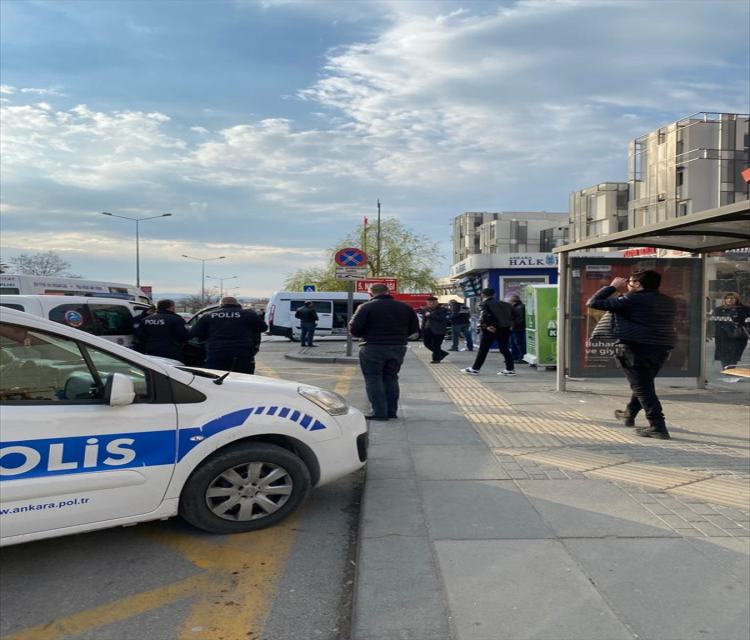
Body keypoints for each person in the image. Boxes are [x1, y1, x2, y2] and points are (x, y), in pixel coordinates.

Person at [587, 269, 676, 440]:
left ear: (637, 284)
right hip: (661, 348)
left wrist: (612, 287)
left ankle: (658, 426)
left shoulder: (631, 299)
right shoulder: (668, 301)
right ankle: (629, 414)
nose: (627, 285)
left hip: (635, 348)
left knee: (643, 388)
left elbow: (593, 302)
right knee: (643, 384)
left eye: (630, 282)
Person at [349, 283, 419, 421]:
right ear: (388, 291)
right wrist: (400, 336)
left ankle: (379, 412)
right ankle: (391, 411)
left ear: (370, 293)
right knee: (391, 377)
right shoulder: (405, 307)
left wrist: (364, 334)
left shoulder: (366, 307)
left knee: (373, 378)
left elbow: (354, 328)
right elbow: (414, 328)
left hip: (372, 346)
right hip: (398, 346)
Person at [189, 296, 268, 374]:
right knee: (243, 377)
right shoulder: (248, 315)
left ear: (221, 305)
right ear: (237, 304)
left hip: (217, 350)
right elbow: (263, 328)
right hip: (242, 350)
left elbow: (194, 333)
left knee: (217, 376)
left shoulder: (209, 315)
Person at [460, 288, 516, 376]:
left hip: (490, 329)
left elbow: (485, 314)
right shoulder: (506, 304)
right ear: (495, 294)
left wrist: (489, 325)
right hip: (505, 329)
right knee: (505, 349)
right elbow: (515, 315)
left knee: (483, 349)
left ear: (482, 295)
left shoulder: (483, 304)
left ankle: (475, 368)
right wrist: (510, 325)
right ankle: (510, 369)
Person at [710, 292, 750, 370]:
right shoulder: (719, 309)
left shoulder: (745, 309)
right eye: (727, 298)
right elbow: (715, 321)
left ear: (736, 299)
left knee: (735, 351)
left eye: (731, 298)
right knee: (723, 351)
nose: (729, 300)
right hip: (723, 334)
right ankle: (726, 366)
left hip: (738, 334)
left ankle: (731, 366)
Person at [422, 296, 449, 363]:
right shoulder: (426, 309)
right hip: (427, 329)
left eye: (432, 302)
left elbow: (442, 318)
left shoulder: (442, 309)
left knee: (436, 345)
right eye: (429, 302)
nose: (431, 303)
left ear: (436, 302)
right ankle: (442, 353)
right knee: (427, 344)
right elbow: (424, 319)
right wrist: (423, 327)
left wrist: (430, 315)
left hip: (438, 330)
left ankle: (436, 359)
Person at [508, 295, 527, 363]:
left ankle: (522, 356)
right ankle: (515, 356)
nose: (509, 302)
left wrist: (513, 325)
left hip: (518, 328)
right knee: (513, 343)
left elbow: (520, 319)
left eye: (510, 301)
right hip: (515, 328)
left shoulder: (519, 308)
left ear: (514, 301)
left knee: (519, 343)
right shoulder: (516, 307)